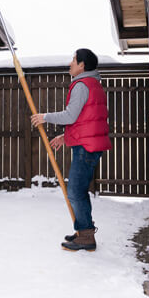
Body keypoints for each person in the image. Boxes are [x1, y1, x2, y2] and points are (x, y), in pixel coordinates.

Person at [31, 49, 111, 251]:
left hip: (86, 148)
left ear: (82, 64)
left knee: (75, 192)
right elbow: (87, 121)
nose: (70, 63)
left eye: (74, 60)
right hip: (88, 145)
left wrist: (45, 117)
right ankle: (83, 231)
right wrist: (65, 137)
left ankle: (86, 236)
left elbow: (70, 116)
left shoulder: (82, 85)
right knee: (77, 191)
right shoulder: (92, 84)